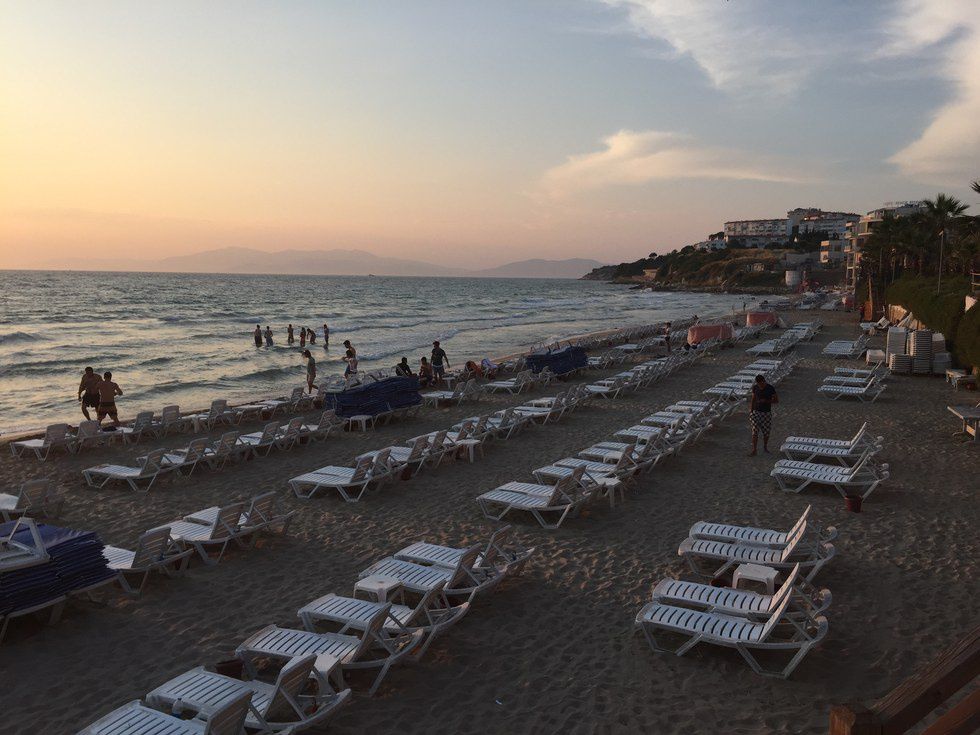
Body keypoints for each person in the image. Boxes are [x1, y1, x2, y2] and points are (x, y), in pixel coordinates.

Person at [748, 374, 778, 456]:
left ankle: (765, 447)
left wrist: (766, 401)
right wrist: (751, 410)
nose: (760, 385)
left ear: (764, 381)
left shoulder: (770, 388)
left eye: (761, 383)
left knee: (766, 432)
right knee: (755, 432)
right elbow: (753, 398)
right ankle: (754, 450)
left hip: (766, 413)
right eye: (759, 384)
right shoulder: (755, 387)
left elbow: (776, 400)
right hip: (756, 412)